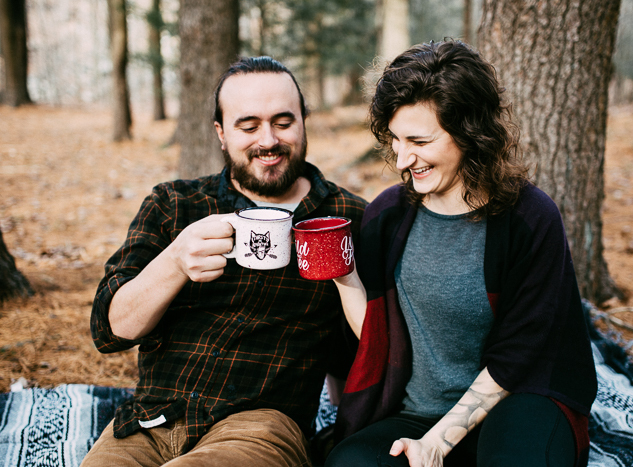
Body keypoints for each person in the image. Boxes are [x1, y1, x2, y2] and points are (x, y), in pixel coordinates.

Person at [82, 56, 366, 467]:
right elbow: (111, 332)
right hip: (147, 420)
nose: (268, 140)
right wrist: (175, 261)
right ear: (220, 133)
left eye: (284, 123)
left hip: (260, 426)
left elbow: (366, 345)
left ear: (305, 121)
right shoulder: (175, 204)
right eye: (248, 127)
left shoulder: (347, 218)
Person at [325, 40, 597, 467]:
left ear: (470, 132)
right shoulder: (387, 216)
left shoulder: (530, 218)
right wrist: (344, 278)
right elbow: (381, 337)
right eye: (395, 139)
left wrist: (439, 444)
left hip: (519, 401)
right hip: (418, 412)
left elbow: (519, 354)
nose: (402, 158)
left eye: (419, 140)